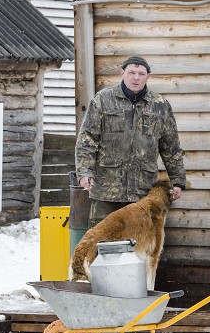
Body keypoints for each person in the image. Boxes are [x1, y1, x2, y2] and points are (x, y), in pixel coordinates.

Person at [75, 55, 186, 227]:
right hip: (106, 191)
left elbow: (171, 147)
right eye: (131, 72)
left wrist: (178, 181)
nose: (136, 78)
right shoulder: (103, 100)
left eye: (141, 74)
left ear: (148, 76)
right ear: (122, 73)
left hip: (143, 192)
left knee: (138, 244)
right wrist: (84, 172)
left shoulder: (160, 105)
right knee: (103, 244)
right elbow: (87, 139)